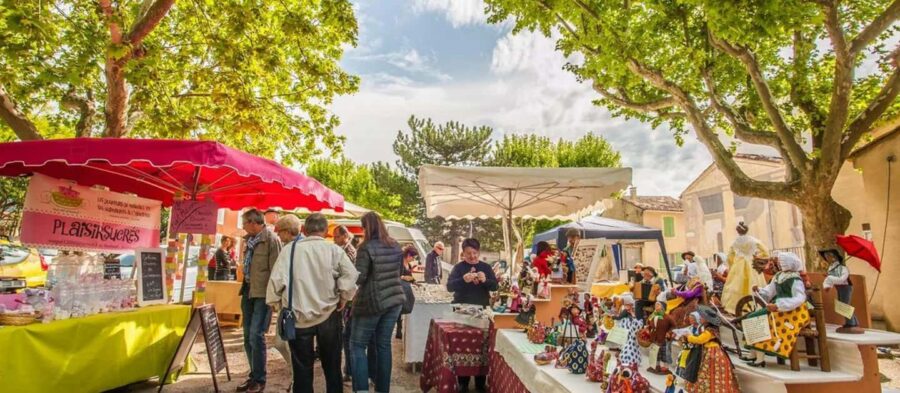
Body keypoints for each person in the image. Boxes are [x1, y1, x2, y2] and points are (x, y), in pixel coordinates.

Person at [267, 213, 359, 393]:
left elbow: (275, 284)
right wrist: (343, 297)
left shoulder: (289, 251)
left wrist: (277, 304)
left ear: (304, 230)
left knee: (302, 368)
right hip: (329, 315)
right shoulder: (334, 250)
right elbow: (351, 276)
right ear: (326, 231)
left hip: (298, 316)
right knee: (332, 365)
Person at [350, 212, 407, 393]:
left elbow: (359, 277)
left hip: (372, 302)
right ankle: (382, 389)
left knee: (357, 345)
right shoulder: (395, 244)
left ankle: (362, 389)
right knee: (383, 345)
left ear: (366, 227)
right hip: (394, 300)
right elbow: (399, 272)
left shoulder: (365, 247)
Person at [238, 209, 282, 393]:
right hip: (248, 290)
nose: (243, 227)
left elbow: (276, 271)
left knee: (256, 335)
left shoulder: (271, 240)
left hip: (263, 294)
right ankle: (253, 375)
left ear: (254, 222)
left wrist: (274, 298)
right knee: (248, 336)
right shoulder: (249, 240)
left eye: (245, 223)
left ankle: (260, 378)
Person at [446, 238, 498, 392]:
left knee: (481, 347)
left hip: (482, 310)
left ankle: (480, 381)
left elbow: (495, 286)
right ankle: (463, 381)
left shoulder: (486, 267)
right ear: (463, 253)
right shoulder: (458, 268)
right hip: (462, 310)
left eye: (475, 253)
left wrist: (485, 280)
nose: (472, 256)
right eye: (469, 253)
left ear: (479, 252)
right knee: (463, 345)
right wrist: (463, 279)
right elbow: (449, 287)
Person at [745, 252, 809, 368]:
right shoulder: (779, 276)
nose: (777, 263)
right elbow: (770, 291)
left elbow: (800, 298)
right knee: (751, 317)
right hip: (778, 308)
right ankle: (753, 353)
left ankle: (760, 358)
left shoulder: (795, 279)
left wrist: (779, 305)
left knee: (760, 320)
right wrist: (759, 290)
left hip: (791, 310)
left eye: (780, 261)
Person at [272, 215, 304, 391]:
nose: (278, 236)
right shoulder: (290, 247)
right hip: (296, 302)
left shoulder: (291, 249)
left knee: (286, 343)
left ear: (286, 231)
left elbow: (277, 278)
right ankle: (296, 377)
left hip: (292, 304)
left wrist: (272, 299)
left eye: (279, 232)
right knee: (286, 343)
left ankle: (297, 379)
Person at [682, 306, 740, 393]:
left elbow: (700, 340)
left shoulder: (709, 330)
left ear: (707, 320)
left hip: (712, 353)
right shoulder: (708, 329)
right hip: (710, 350)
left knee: (709, 371)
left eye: (702, 317)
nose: (700, 318)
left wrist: (689, 337)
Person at [721, 222, 768, 314]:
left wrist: (732, 266)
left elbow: (729, 257)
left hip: (739, 265)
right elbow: (765, 252)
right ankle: (758, 305)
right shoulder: (754, 240)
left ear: (738, 231)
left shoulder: (735, 242)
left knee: (737, 285)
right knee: (755, 282)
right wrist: (757, 256)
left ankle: (736, 307)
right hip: (751, 263)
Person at [821, 249, 863, 334]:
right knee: (842, 305)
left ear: (834, 257)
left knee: (844, 305)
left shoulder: (843, 268)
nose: (827, 258)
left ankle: (851, 323)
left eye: (829, 256)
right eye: (826, 256)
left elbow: (842, 279)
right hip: (839, 288)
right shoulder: (832, 268)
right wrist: (829, 280)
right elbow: (832, 279)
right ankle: (853, 323)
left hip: (846, 287)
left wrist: (830, 278)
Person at [646, 301, 676, 375]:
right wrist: (648, 328)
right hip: (654, 337)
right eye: (656, 305)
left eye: (658, 305)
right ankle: (656, 365)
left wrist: (669, 332)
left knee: (664, 353)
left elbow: (674, 326)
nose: (656, 306)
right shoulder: (653, 315)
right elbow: (649, 322)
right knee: (655, 353)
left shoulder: (667, 317)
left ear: (663, 307)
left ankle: (666, 367)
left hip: (662, 338)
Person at [395, 245, 418, 340]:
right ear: (408, 255)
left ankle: (399, 329)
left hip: (405, 289)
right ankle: (398, 330)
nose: (413, 260)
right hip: (398, 289)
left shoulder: (408, 264)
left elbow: (410, 276)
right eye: (413, 257)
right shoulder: (399, 262)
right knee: (398, 309)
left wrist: (414, 281)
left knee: (402, 309)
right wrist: (404, 277)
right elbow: (395, 275)